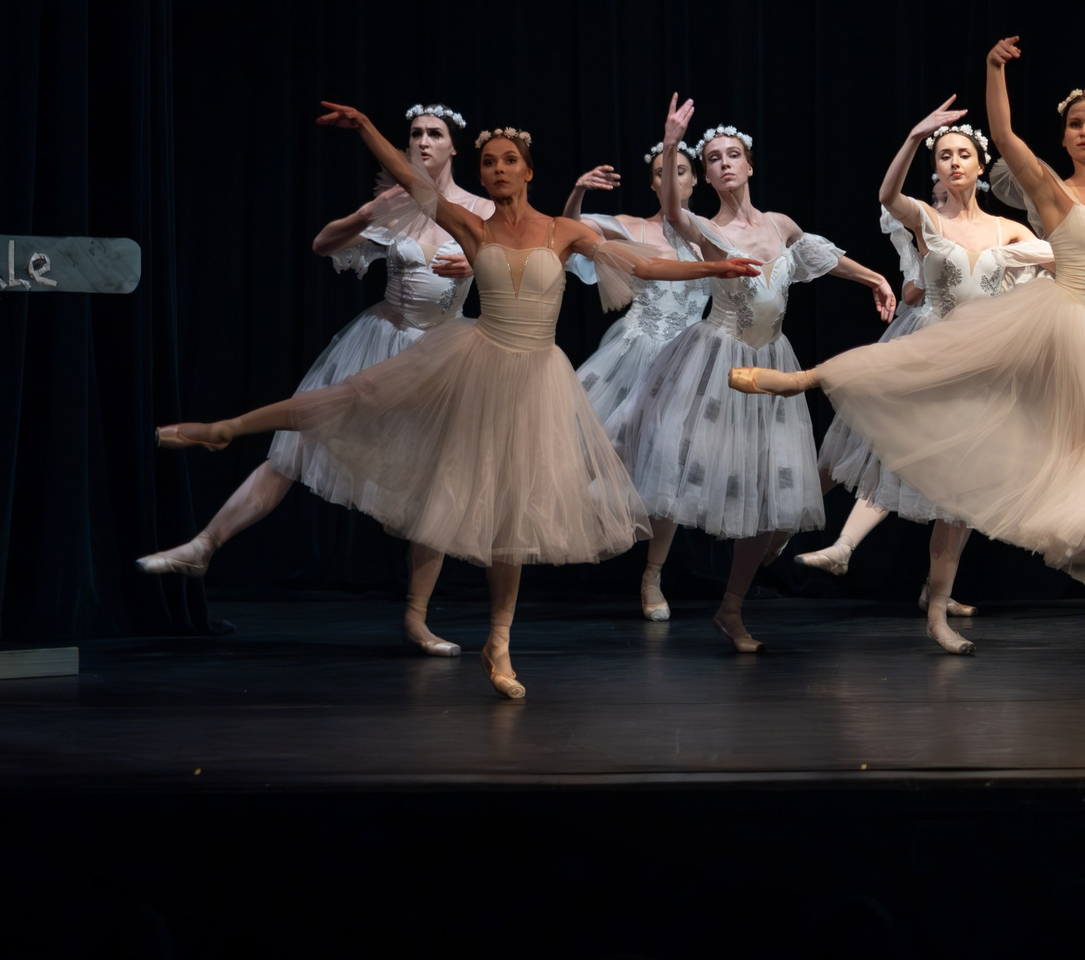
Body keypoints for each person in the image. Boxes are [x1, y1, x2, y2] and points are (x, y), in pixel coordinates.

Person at [155, 105, 756, 698]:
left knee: (510, 513)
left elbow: (645, 265)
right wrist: (365, 127)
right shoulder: (473, 226)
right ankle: (226, 428)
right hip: (474, 356)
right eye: (488, 162)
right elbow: (411, 178)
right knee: (353, 393)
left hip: (535, 379)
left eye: (509, 161)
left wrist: (717, 267)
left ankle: (499, 643)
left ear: (528, 171)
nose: (497, 170)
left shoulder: (562, 231)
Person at [728, 38, 1085, 683]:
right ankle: (805, 378)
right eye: (1075, 124)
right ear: (1065, 137)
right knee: (926, 358)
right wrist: (994, 70)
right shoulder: (1048, 186)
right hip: (1060, 324)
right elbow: (1004, 134)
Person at [137, 103, 486, 657]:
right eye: (415, 133)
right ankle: (203, 545)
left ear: (453, 147)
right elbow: (324, 244)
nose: (423, 142)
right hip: (382, 340)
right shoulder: (394, 203)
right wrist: (369, 212)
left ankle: (416, 618)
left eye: (434, 134)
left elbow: (522, 260)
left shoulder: (480, 210)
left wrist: (481, 259)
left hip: (441, 357)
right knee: (294, 447)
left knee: (436, 486)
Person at [611, 95, 897, 654]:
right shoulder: (704, 227)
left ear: (749, 165)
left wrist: (874, 279)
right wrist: (671, 143)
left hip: (772, 365)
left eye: (732, 155)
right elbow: (673, 214)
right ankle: (655, 574)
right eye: (713, 159)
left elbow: (823, 257)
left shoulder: (779, 224)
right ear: (706, 175)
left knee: (770, 494)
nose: (723, 164)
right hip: (718, 361)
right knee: (695, 473)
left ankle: (731, 609)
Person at [808, 103, 1054, 652]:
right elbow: (887, 197)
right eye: (944, 156)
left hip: (982, 367)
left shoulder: (1010, 230)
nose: (954, 162)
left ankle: (937, 611)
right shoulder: (926, 218)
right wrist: (913, 137)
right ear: (936, 168)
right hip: (932, 354)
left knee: (959, 497)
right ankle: (829, 539)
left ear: (980, 165)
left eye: (963, 154)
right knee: (892, 452)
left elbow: (1066, 263)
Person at [558, 144, 717, 621]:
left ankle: (652, 576)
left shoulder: (712, 237)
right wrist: (577, 192)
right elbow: (569, 231)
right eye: (661, 172)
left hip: (686, 363)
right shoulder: (633, 227)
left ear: (694, 179)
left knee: (669, 469)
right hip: (635, 352)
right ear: (653, 183)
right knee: (596, 448)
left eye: (681, 170)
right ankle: (563, 531)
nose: (671, 178)